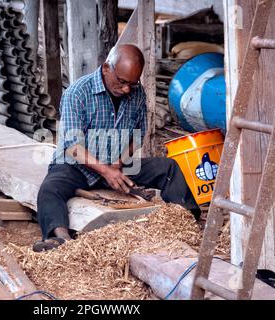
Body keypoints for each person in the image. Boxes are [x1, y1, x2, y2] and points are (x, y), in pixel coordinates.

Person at [33, 44, 200, 252]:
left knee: (168, 167)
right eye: (121, 82)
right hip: (77, 166)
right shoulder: (78, 92)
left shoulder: (136, 94)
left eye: (132, 83)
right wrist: (106, 171)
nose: (127, 89)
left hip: (116, 163)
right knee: (50, 188)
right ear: (106, 68)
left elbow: (138, 134)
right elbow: (72, 146)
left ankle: (187, 222)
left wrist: (118, 163)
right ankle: (60, 238)